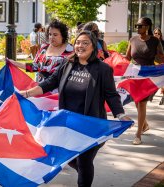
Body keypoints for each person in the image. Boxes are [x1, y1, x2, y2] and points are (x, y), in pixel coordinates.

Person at [19, 30, 132, 187]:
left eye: (85, 43)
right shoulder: (67, 64)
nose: (80, 46)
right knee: (72, 160)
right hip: (68, 125)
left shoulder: (102, 69)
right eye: (78, 42)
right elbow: (50, 82)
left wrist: (120, 115)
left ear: (94, 47)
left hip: (90, 126)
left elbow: (111, 95)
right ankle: (84, 174)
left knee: (84, 161)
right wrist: (27, 93)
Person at [125, 17, 164, 145]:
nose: (137, 28)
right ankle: (145, 124)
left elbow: (161, 57)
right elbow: (127, 58)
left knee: (142, 103)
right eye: (136, 25)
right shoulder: (133, 40)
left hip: (148, 76)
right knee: (137, 103)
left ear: (147, 27)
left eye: (140, 25)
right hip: (135, 76)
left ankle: (138, 135)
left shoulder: (154, 41)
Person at [9, 19, 74, 83]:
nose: (51, 37)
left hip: (57, 91)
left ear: (63, 35)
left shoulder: (71, 49)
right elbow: (34, 67)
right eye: (50, 34)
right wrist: (14, 63)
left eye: (55, 35)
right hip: (38, 89)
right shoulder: (44, 48)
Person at [153, 28, 164, 105]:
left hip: (162, 64)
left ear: (161, 35)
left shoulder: (163, 43)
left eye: (158, 33)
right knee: (155, 81)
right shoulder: (151, 43)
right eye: (155, 33)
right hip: (153, 64)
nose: (157, 35)